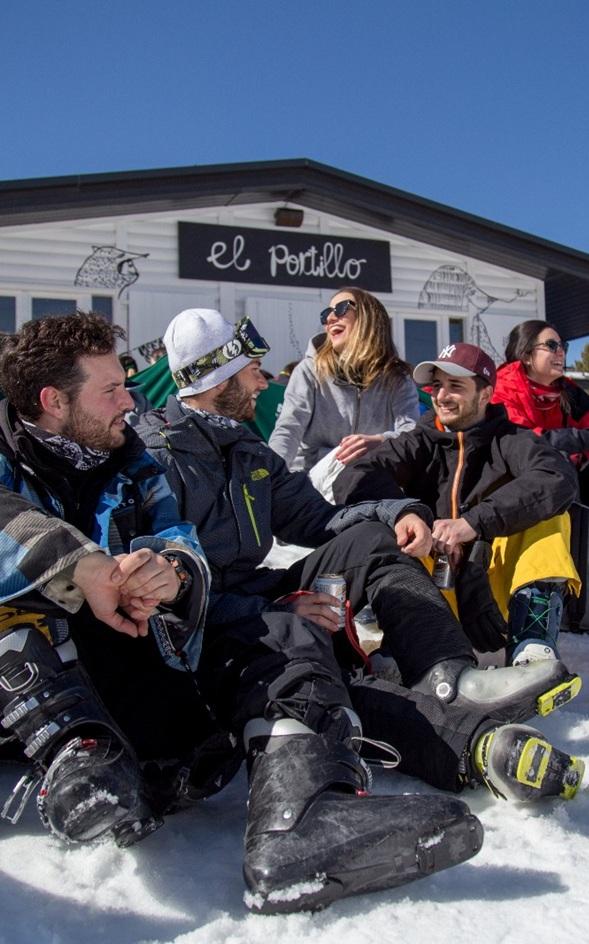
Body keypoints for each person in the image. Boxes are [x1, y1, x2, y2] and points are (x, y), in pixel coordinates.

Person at [0, 312, 499, 915]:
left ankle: (446, 681)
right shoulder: (155, 447)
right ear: (54, 400)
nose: (130, 398)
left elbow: (201, 536)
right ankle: (90, 756)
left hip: (184, 619)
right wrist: (90, 568)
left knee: (360, 552)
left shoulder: (211, 452)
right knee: (279, 633)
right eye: (111, 389)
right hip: (168, 637)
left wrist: (173, 571)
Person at [136, 309, 583, 834]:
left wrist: (398, 513)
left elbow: (316, 519)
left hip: (259, 599)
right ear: (220, 380)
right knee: (302, 651)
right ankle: (453, 750)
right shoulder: (158, 457)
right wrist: (270, 606)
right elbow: (164, 594)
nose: (262, 381)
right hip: (209, 625)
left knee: (370, 540)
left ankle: (451, 678)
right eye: (252, 371)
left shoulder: (246, 449)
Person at [334, 341, 582, 669]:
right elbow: (354, 477)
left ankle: (532, 644)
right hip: (433, 591)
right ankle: (402, 649)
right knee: (382, 523)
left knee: (550, 517)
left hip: (497, 590)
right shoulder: (419, 441)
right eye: (437, 385)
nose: (441, 395)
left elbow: (558, 477)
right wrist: (408, 515)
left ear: (485, 393)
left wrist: (473, 524)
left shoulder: (511, 439)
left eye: (456, 386)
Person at [268, 287, 420, 497]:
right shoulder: (310, 371)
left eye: (340, 309)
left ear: (369, 317)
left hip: (368, 477)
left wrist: (378, 441)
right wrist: (269, 478)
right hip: (314, 483)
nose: (330, 319)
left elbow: (412, 435)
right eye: (326, 314)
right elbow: (288, 429)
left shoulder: (397, 378)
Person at [492, 319, 589, 503]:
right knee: (558, 460)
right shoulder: (503, 388)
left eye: (563, 346)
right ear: (526, 356)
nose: (561, 352)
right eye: (552, 345)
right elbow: (525, 439)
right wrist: (579, 440)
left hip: (563, 477)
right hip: (515, 481)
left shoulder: (568, 390)